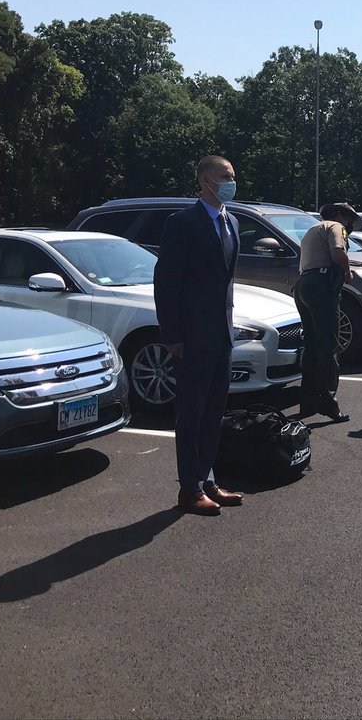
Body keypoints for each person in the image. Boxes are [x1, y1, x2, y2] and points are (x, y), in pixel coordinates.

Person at [153, 155, 245, 516]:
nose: (231, 182)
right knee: (191, 413)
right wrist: (171, 333)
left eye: (233, 176)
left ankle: (207, 480)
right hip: (190, 337)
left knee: (214, 411)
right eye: (225, 176)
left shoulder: (232, 221)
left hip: (221, 334)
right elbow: (167, 281)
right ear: (206, 181)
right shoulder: (183, 223)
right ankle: (188, 489)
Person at [295, 202, 357, 424]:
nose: (349, 224)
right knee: (328, 344)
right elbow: (338, 253)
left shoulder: (312, 230)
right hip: (322, 287)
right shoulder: (335, 227)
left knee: (311, 344)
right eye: (349, 219)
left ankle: (308, 400)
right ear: (340, 215)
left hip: (304, 284)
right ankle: (328, 400)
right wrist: (348, 272)